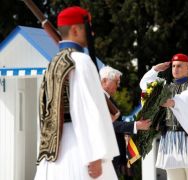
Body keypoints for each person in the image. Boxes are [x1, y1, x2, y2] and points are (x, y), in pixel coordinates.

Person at [34, 6, 119, 180]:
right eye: (88, 29)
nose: (92, 34)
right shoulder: (81, 61)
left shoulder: (52, 63)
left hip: (54, 150)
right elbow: (88, 109)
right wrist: (96, 154)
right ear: (75, 29)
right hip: (80, 149)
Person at [140, 53, 188, 180]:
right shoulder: (165, 87)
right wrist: (154, 70)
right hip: (169, 140)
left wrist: (173, 102)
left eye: (179, 66)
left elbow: (186, 100)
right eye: (173, 66)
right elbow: (145, 86)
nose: (175, 69)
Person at [100, 66, 152, 179]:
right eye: (116, 82)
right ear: (104, 80)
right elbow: (109, 125)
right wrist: (136, 125)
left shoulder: (107, 99)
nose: (118, 85)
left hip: (112, 155)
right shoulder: (99, 99)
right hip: (104, 155)